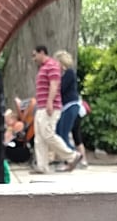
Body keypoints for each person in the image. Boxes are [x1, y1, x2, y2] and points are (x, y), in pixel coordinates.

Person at [31, 45, 82, 174]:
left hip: (49, 107)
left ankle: (72, 156)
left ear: (42, 53)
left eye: (34, 55)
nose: (34, 58)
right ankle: (42, 166)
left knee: (48, 134)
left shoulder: (52, 66)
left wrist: (50, 102)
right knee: (40, 137)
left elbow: (55, 85)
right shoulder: (43, 68)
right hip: (41, 106)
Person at [55, 50, 82, 151]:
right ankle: (68, 157)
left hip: (70, 106)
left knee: (63, 134)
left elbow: (61, 89)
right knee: (58, 133)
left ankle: (74, 156)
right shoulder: (60, 75)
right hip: (64, 107)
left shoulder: (69, 73)